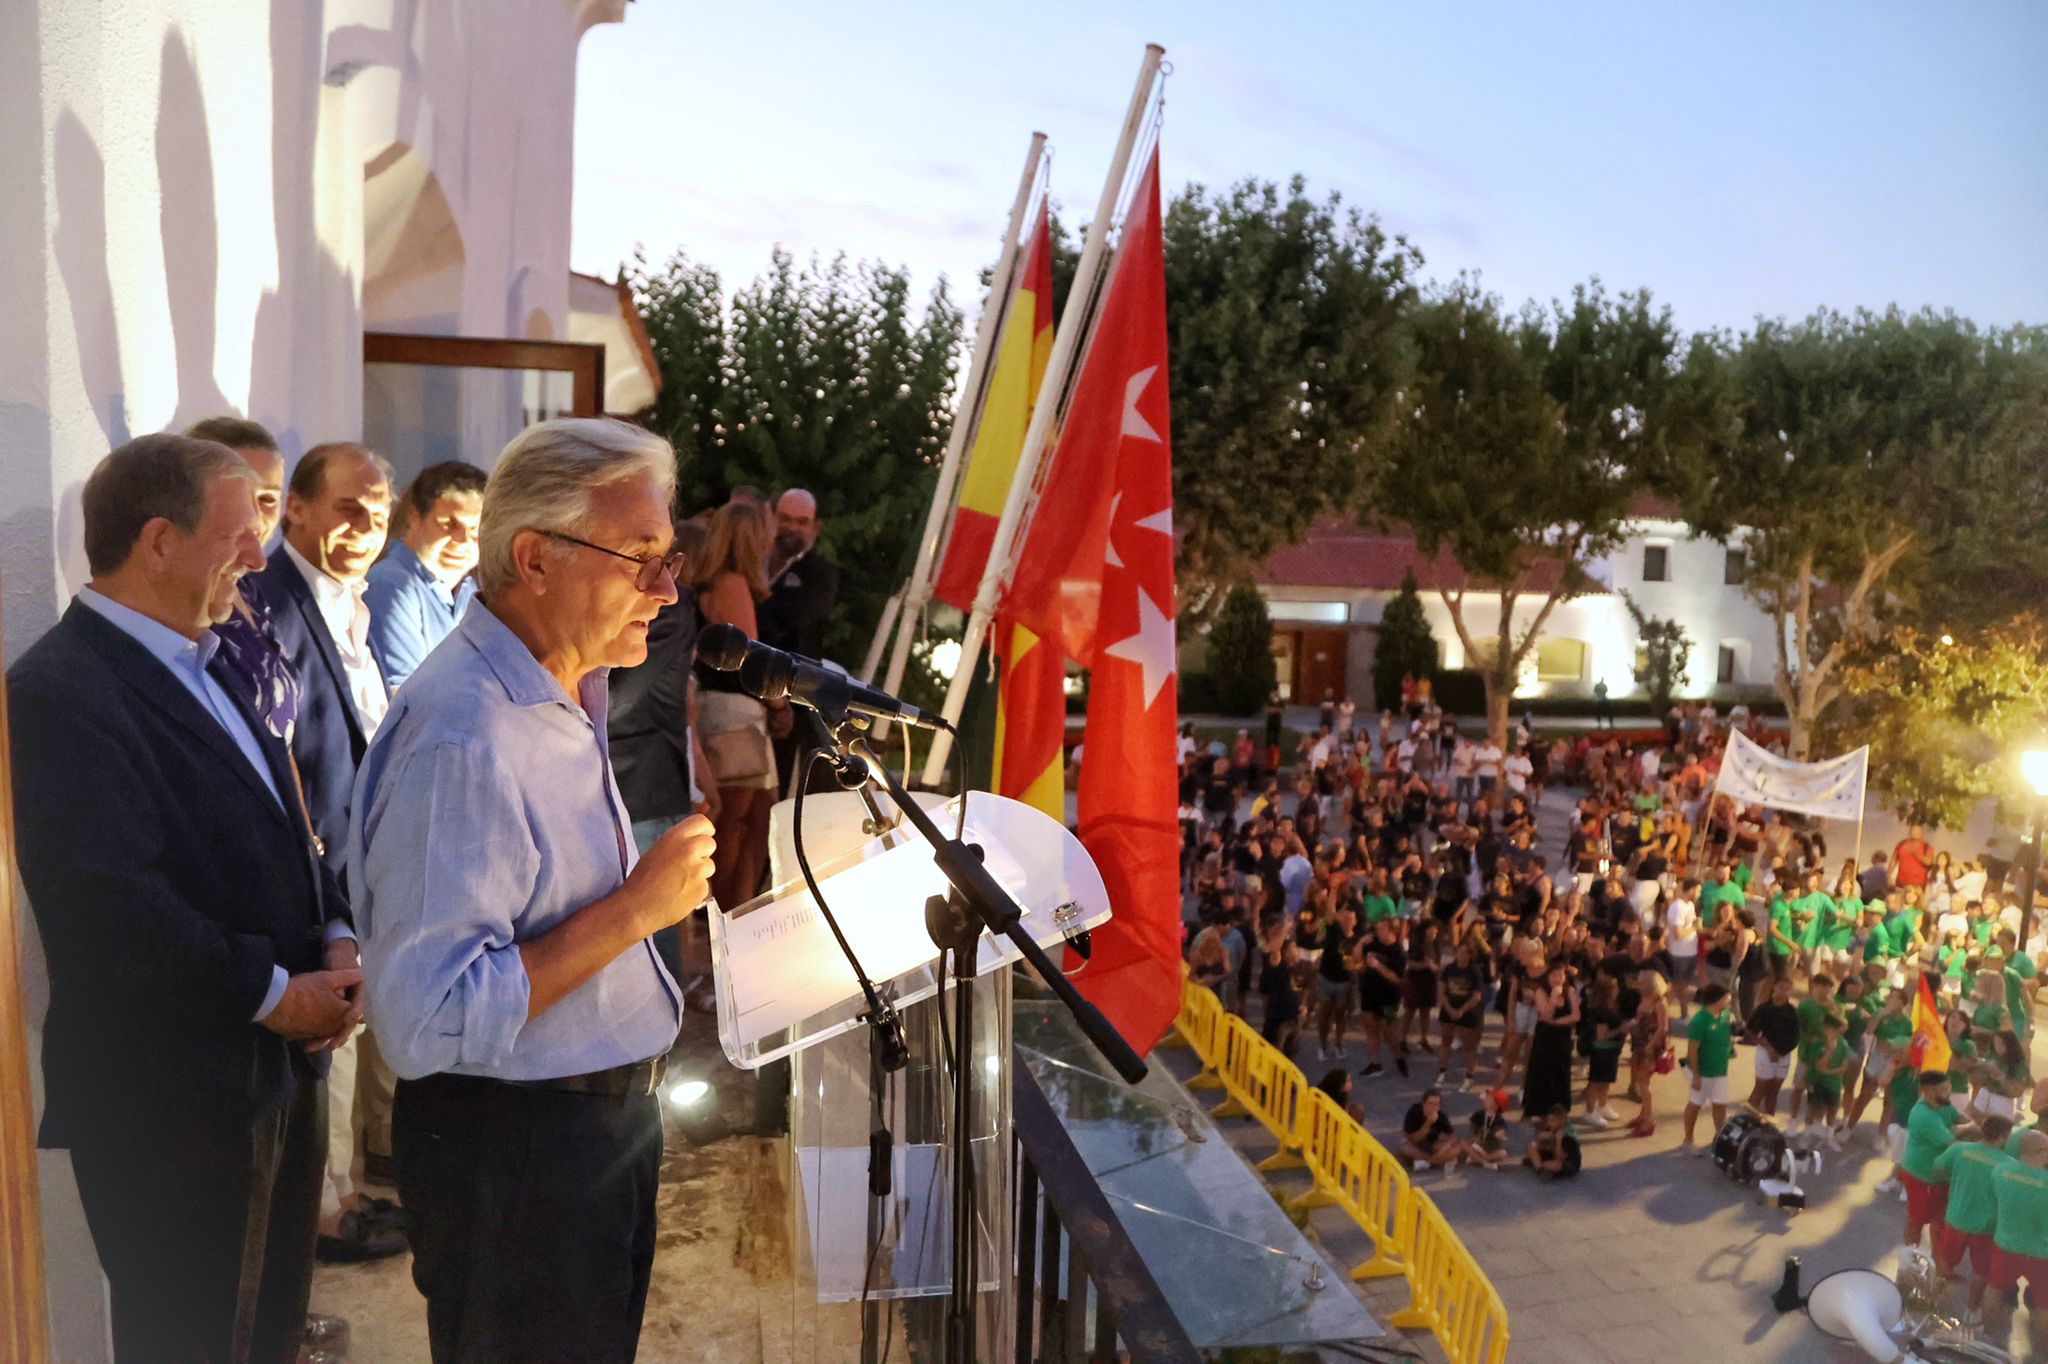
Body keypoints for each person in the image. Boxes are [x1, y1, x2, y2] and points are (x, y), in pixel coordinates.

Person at [354, 419, 718, 1364]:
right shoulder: (465, 735)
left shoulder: (565, 689)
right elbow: (425, 1019)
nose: (667, 588)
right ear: (535, 558)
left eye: (669, 556)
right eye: (640, 558)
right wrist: (637, 910)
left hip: (587, 1138)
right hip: (519, 1158)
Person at [9, 433, 362, 1364]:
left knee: (270, 1336)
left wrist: (334, 934)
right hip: (172, 1101)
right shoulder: (57, 691)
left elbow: (293, 822)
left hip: (278, 1076)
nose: (258, 556)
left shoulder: (217, 655)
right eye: (240, 532)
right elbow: (107, 901)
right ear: (159, 541)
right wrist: (276, 994)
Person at [240, 441, 405, 1263]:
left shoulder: (349, 600)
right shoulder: (262, 604)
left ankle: (336, 1198)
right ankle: (322, 1218)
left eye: (378, 512)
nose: (364, 526)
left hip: (360, 871)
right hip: (313, 874)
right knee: (325, 1059)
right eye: (347, 506)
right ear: (295, 509)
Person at [608, 518, 713, 988]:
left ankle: (656, 1052)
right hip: (629, 781)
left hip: (644, 781)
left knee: (653, 942)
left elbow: (617, 700)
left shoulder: (669, 608)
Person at [691, 501, 778, 909]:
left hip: (717, 708)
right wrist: (779, 705)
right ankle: (728, 919)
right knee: (740, 827)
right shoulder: (732, 584)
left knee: (745, 822)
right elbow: (752, 655)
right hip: (735, 711)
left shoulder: (707, 584)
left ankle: (731, 916)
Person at [364, 461, 486, 691]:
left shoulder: (471, 591)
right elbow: (405, 698)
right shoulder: (391, 585)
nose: (462, 540)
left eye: (475, 528)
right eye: (448, 524)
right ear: (414, 518)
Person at [1931, 1114, 2016, 1325]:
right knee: (1981, 1271)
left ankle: (1934, 1298)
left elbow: (1938, 1166)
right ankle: (1972, 1310)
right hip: (1986, 1228)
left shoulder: (1960, 1149)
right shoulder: (2009, 1165)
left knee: (1946, 1260)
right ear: (2003, 1137)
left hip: (1956, 1220)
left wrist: (1955, 1179)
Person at [1902, 1070, 1980, 1260]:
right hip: (1922, 1177)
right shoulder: (1923, 1114)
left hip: (1940, 1177)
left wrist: (1960, 1128)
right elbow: (1953, 1143)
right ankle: (1908, 1263)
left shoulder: (1944, 1105)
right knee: (1917, 1221)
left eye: (1949, 1087)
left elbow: (1967, 1122)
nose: (1949, 1092)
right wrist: (1962, 1130)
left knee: (1940, 1224)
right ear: (1927, 1091)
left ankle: (1938, 1268)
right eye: (1944, 1089)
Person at [1988, 1130, 2048, 1357]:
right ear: (2041, 1151)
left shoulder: (2000, 1170)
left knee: (1994, 1289)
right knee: (2044, 1305)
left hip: (2006, 1244)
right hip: (2041, 1253)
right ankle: (2042, 1353)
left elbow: (1997, 1198)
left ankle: (1989, 1336)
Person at [1679, 983, 1735, 1155]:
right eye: (1727, 996)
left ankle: (1720, 1139)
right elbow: (1692, 1050)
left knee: (1720, 1105)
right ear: (1717, 999)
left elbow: (1726, 1035)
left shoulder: (1725, 1015)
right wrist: (1696, 1075)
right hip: (1703, 1072)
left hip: (1720, 1070)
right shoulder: (1700, 1020)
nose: (1730, 999)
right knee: (1695, 1104)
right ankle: (1688, 1140)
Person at [1522, 961, 1580, 1121]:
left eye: (1561, 975)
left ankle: (1559, 1108)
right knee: (1541, 1072)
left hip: (1562, 1036)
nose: (1558, 978)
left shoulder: (1570, 991)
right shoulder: (1541, 990)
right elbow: (1546, 1015)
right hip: (1545, 1037)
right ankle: (1537, 1109)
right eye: (1554, 975)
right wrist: (1553, 998)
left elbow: (1576, 1015)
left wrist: (1557, 1022)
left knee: (1560, 1071)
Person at [1745, 974, 1800, 1117]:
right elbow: (1751, 1031)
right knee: (1760, 1089)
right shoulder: (1764, 1009)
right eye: (1781, 988)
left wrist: (1780, 1053)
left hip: (1784, 1055)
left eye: (1787, 990)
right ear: (1774, 987)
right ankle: (1746, 1121)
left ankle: (1768, 1120)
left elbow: (1795, 1037)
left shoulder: (1792, 1013)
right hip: (1765, 1053)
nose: (1783, 992)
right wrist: (1769, 1048)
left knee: (1773, 1092)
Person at [1400, 1089, 1470, 1170]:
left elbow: (1452, 1135)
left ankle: (1426, 1163)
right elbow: (1413, 1139)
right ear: (1423, 1103)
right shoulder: (1414, 1111)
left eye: (1437, 1104)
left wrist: (1448, 1144)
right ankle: (1436, 1161)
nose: (1434, 1107)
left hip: (1432, 1144)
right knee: (1406, 1147)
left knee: (1456, 1148)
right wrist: (1428, 1123)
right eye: (1431, 1103)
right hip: (1415, 1145)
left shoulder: (1441, 1115)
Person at [1524, 1105, 1583, 1179]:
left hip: (1567, 1162)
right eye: (1549, 1120)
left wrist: (1558, 1141)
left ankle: (1539, 1164)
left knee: (1555, 1165)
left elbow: (1559, 1159)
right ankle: (1540, 1170)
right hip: (1553, 1154)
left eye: (1552, 1120)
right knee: (1532, 1145)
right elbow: (1542, 1147)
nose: (1549, 1123)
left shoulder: (1568, 1136)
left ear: (1562, 1121)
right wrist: (1540, 1140)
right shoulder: (1552, 1128)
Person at [1469, 1088, 1513, 1168]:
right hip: (1479, 1144)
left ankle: (1481, 1159)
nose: (1485, 1099)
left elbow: (1501, 1131)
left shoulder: (1499, 1119)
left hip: (1492, 1147)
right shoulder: (1479, 1114)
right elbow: (1473, 1125)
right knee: (1470, 1146)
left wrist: (1499, 1134)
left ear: (1497, 1105)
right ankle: (1485, 1161)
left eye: (1489, 1099)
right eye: (1487, 1098)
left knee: (1503, 1153)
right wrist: (1474, 1135)